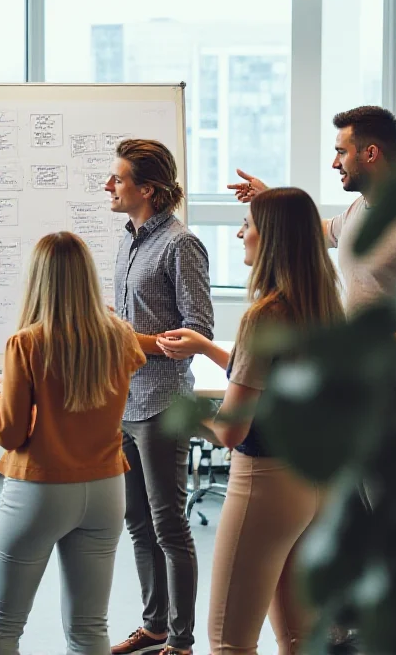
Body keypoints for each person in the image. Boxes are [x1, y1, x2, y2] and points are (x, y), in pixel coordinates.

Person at [157, 187, 343, 655]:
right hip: (315, 483)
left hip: (265, 483)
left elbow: (231, 430)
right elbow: (270, 375)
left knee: (228, 642)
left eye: (248, 225)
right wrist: (205, 347)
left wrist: (184, 415)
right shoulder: (322, 307)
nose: (240, 233)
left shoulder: (264, 315)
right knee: (300, 638)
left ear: (272, 238)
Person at [0, 232, 147, 655]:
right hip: (107, 489)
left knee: (0, 627)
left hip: (40, 490)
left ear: (37, 280)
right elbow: (100, 376)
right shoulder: (120, 337)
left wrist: (2, 396)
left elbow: (11, 433)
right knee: (90, 628)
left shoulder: (26, 343)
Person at [228, 106, 396, 375]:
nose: (334, 163)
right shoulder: (360, 209)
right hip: (365, 385)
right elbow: (316, 230)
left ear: (371, 153)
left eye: (341, 152)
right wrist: (270, 200)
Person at [106, 139, 213, 655]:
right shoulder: (127, 241)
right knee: (136, 521)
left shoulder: (180, 244)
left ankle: (182, 640)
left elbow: (197, 332)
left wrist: (128, 339)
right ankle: (154, 626)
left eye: (119, 179)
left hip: (163, 404)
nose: (109, 186)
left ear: (146, 189)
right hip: (124, 402)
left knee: (169, 524)